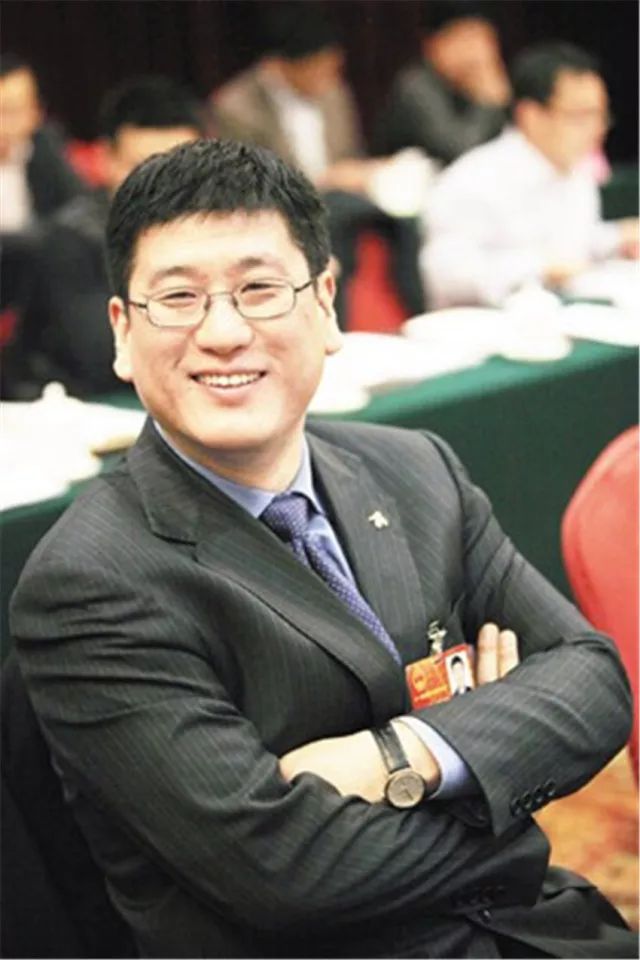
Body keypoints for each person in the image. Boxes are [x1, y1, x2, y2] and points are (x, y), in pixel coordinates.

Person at [11, 138, 636, 959]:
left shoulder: (417, 469)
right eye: (179, 298)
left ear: (327, 304)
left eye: (260, 289)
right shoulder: (90, 581)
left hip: (535, 931)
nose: (223, 332)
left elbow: (595, 680)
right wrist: (499, 794)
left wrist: (400, 754)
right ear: (123, 333)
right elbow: (284, 873)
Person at [212, 2, 426, 328]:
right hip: (282, 205)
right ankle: (335, 327)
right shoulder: (237, 108)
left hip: (343, 195)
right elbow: (248, 181)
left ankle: (416, 315)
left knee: (404, 217)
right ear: (278, 66)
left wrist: (365, 171)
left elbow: (350, 153)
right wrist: (323, 180)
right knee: (331, 226)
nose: (328, 76)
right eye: (318, 68)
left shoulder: (333, 93)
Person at [21, 75, 206, 396]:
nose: (164, 187)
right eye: (144, 168)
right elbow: (106, 358)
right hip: (79, 404)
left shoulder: (215, 230)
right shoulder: (69, 239)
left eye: (180, 169)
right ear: (107, 159)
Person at [421, 42, 639, 308]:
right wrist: (539, 267)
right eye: (581, 116)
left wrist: (618, 238)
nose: (596, 129)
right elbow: (444, 276)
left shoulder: (575, 172)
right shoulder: (473, 180)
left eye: (600, 116)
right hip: (495, 324)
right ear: (530, 115)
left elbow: (573, 247)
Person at [374, 1, 509, 165]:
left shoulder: (481, 80)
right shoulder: (416, 85)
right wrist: (487, 104)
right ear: (434, 44)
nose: (478, 53)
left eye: (486, 39)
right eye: (467, 38)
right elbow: (459, 152)